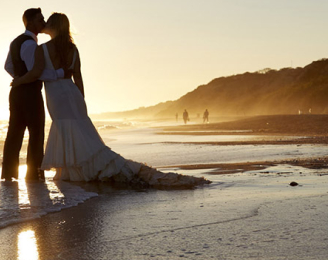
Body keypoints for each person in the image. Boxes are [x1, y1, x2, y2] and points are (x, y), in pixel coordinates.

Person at [12, 13, 208, 188]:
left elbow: (36, 73)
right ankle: (74, 171)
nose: (44, 23)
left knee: (64, 128)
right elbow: (78, 78)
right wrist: (82, 101)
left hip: (57, 97)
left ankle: (73, 172)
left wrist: (19, 80)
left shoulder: (42, 49)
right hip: (72, 93)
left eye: (48, 22)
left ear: (53, 26)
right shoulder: (73, 49)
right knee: (80, 129)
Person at [2, 8, 68, 182]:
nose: (43, 22)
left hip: (16, 93)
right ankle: (34, 176)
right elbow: (36, 72)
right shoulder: (31, 45)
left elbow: (8, 66)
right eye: (40, 20)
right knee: (36, 133)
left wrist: (18, 79)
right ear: (30, 23)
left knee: (14, 134)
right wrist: (60, 73)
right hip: (30, 93)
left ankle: (8, 176)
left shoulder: (16, 41)